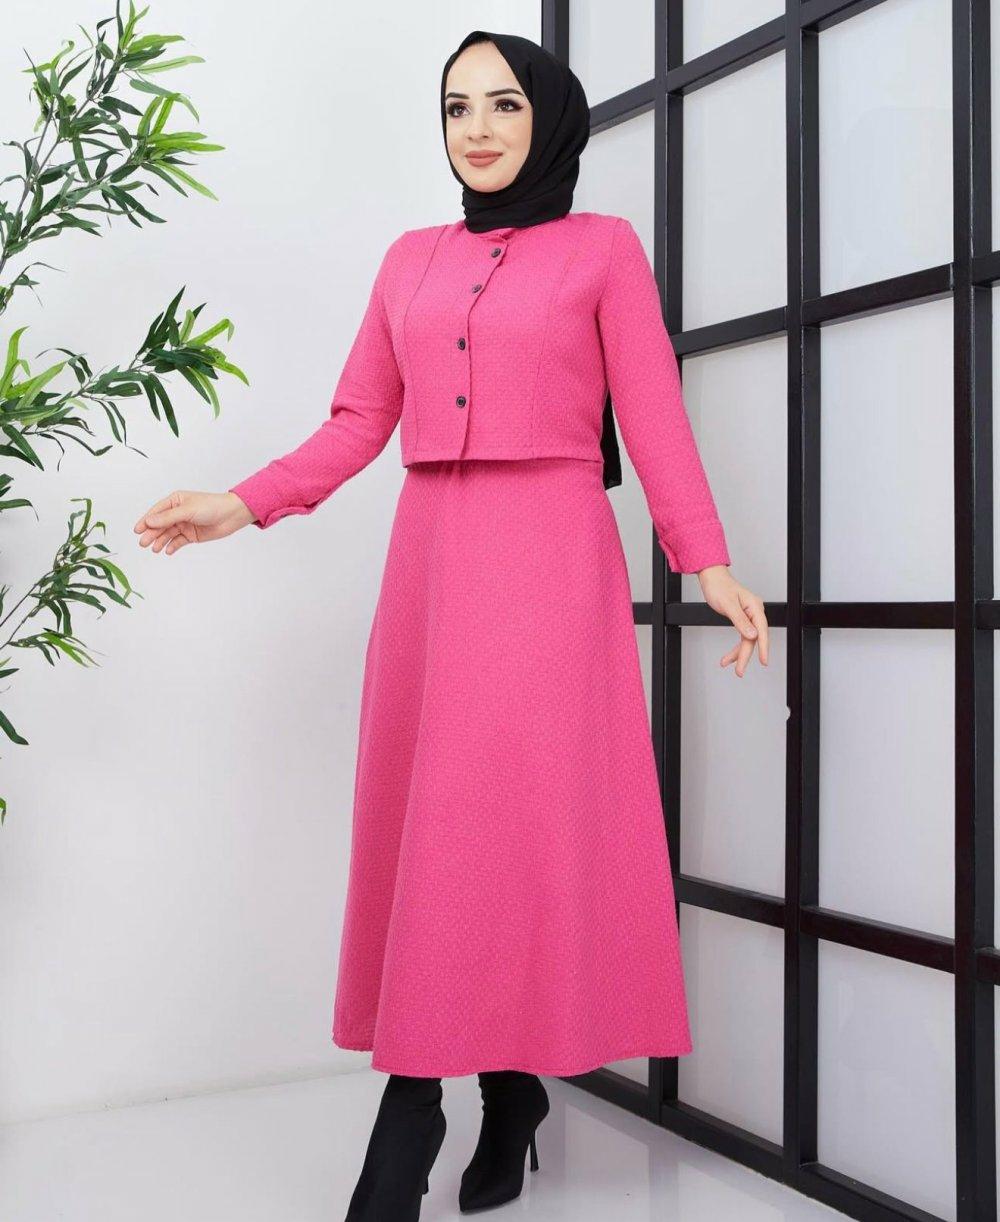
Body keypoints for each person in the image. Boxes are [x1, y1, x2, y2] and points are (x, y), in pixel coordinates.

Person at [134, 28, 768, 1222]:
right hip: (430, 564)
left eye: (503, 105)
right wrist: (242, 502)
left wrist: (708, 558)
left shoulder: (602, 250)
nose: (476, 129)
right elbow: (356, 420)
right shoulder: (408, 259)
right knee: (443, 834)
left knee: (513, 829)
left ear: (550, 120)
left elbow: (653, 414)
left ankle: (412, 1115)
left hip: (551, 564)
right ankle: (506, 1089)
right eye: (456, 107)